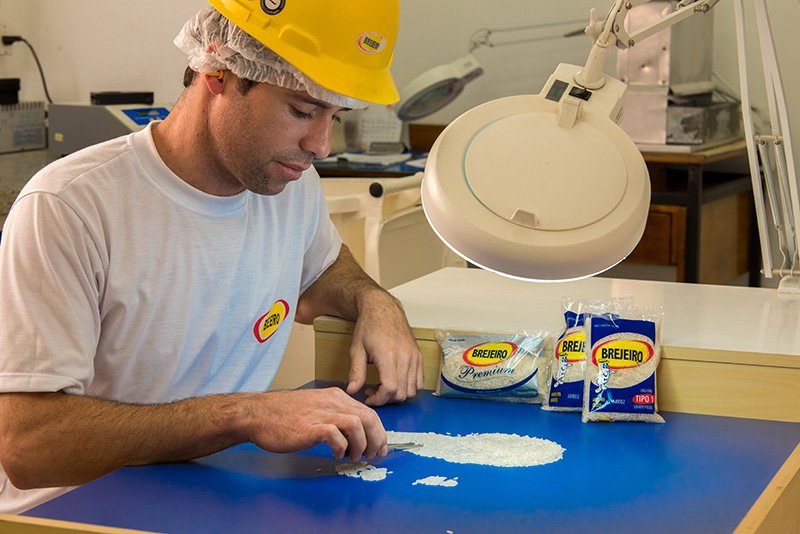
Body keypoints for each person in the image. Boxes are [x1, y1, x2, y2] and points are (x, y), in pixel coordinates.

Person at [0, 0, 423, 514]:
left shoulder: (291, 187)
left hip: (209, 493)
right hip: (75, 509)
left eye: (336, 116)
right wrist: (244, 415)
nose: (321, 145)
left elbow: (321, 272)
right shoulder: (71, 207)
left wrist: (374, 300)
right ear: (218, 70)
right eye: (302, 110)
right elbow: (28, 446)